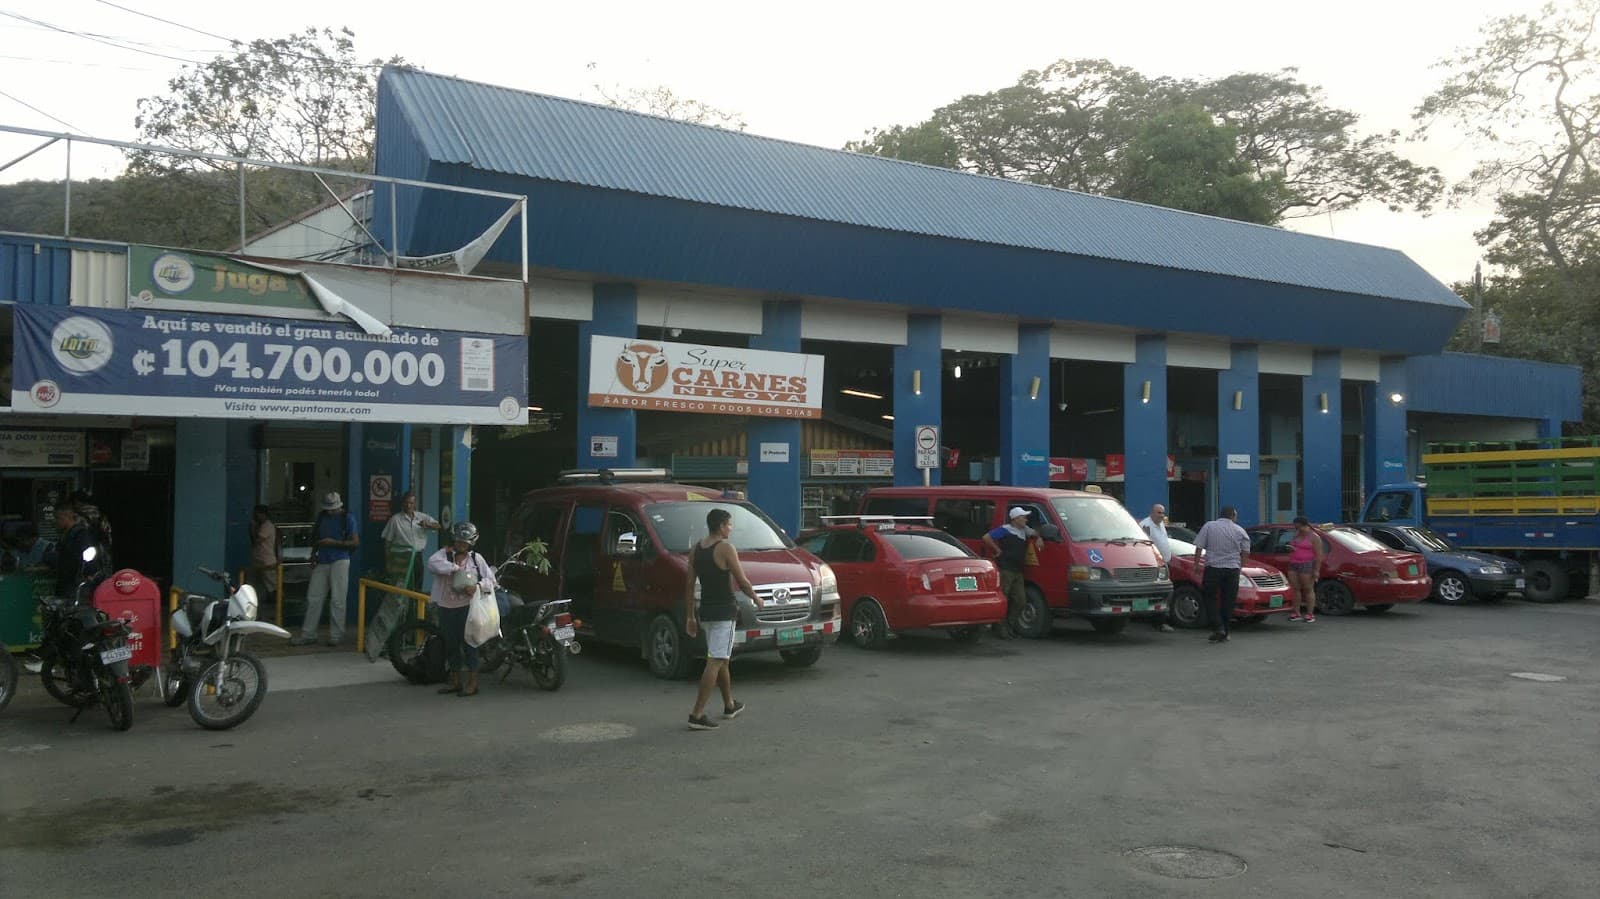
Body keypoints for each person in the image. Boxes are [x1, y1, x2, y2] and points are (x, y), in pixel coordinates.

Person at [685, 507, 760, 731]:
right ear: (720, 526)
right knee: (715, 661)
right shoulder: (726, 548)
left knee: (721, 658)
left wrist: (689, 615)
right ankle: (697, 714)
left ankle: (729, 704)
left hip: (706, 612)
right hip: (724, 613)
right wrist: (757, 599)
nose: (731, 528)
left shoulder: (696, 549)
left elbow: (689, 584)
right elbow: (743, 581)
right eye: (729, 524)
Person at [427, 521, 495, 697]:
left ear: (471, 543)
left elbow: (491, 580)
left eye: (464, 543)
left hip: (467, 608)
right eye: (458, 542)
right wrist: (455, 568)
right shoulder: (445, 555)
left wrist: (477, 586)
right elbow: (432, 564)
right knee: (451, 644)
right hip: (446, 607)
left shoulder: (476, 559)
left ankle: (473, 682)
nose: (461, 545)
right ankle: (455, 681)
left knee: (470, 643)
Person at [291, 492, 360, 646]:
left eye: (333, 508)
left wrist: (333, 543)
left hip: (340, 560)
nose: (330, 511)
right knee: (313, 597)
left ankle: (336, 635)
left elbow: (355, 542)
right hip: (322, 559)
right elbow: (317, 538)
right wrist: (313, 554)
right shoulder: (322, 517)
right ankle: (308, 633)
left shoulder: (347, 518)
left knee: (338, 599)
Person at [1193, 506, 1251, 644]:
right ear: (1233, 516)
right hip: (1232, 569)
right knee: (1228, 600)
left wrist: (1196, 564)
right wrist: (1241, 565)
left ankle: (1218, 627)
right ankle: (1226, 630)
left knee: (1209, 597)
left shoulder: (1209, 526)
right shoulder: (1240, 530)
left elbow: (1199, 546)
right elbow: (1246, 551)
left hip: (1213, 568)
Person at [983, 507, 1039, 639]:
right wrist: (997, 550)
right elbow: (986, 537)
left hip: (1018, 570)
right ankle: (1001, 629)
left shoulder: (1024, 530)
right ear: (1015, 519)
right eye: (1023, 517)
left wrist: (1039, 537)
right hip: (1006, 570)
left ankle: (1009, 625)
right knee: (1004, 599)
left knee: (1020, 600)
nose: (1026, 519)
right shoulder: (1005, 530)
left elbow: (1035, 533)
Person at [381, 491, 441, 591]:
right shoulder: (395, 520)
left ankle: (416, 606)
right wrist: (388, 562)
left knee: (418, 582)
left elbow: (438, 526)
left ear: (414, 504)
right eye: (406, 503)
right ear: (403, 504)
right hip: (402, 556)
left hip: (417, 556)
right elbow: (387, 542)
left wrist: (428, 525)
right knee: (403, 585)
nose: (409, 506)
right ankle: (404, 606)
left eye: (411, 503)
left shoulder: (421, 517)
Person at [1138, 503, 1176, 633]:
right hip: (1154, 566)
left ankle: (1159, 621)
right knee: (1159, 593)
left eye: (1163, 513)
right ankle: (1159, 622)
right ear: (1152, 513)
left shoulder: (1160, 525)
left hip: (1164, 564)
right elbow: (1144, 545)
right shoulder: (1146, 525)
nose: (1162, 515)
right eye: (1159, 513)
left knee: (1162, 594)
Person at [1285, 516, 1326, 623]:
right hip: (1294, 563)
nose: (1296, 528)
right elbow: (1293, 545)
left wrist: (1316, 570)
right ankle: (1296, 612)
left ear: (1303, 525)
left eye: (1297, 526)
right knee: (1295, 588)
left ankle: (1310, 614)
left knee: (1308, 588)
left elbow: (1318, 555)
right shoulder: (1296, 534)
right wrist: (1290, 548)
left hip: (1307, 564)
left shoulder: (1314, 537)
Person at [51, 503, 96, 598]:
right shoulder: (65, 536)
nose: (55, 522)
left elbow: (88, 555)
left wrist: (88, 571)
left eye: (57, 518)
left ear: (66, 518)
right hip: (66, 580)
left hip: (75, 581)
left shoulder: (80, 535)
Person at [249, 505, 279, 600]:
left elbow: (257, 541)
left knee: (273, 584)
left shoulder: (267, 526)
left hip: (266, 560)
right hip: (260, 559)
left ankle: (277, 603)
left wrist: (253, 530)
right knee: (263, 584)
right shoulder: (263, 526)